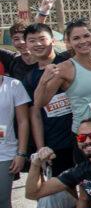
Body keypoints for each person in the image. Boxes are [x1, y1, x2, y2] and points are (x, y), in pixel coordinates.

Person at [34, 20, 91, 144]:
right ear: (69, 42)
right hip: (85, 137)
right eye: (76, 38)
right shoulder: (64, 68)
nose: (83, 41)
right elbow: (40, 103)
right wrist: (43, 81)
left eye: (86, 36)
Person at [24, 24, 75, 178]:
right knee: (64, 194)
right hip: (55, 145)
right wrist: (41, 149)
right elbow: (35, 115)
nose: (38, 44)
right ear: (26, 45)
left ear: (53, 40)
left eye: (42, 39)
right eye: (32, 41)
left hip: (82, 138)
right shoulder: (29, 78)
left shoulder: (70, 62)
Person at [0, 66, 30, 208]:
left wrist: (21, 153)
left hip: (5, 153)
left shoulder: (13, 85)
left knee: (2, 200)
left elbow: (23, 121)